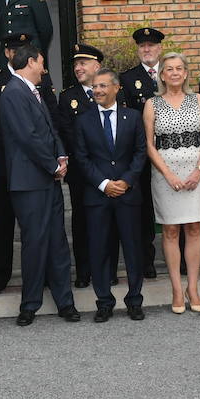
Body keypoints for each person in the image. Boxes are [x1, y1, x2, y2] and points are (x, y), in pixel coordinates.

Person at [0, 43, 81, 326]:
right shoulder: (13, 92)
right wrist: (52, 165)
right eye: (42, 63)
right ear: (31, 61)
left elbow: (50, 128)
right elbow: (27, 136)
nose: (44, 70)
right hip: (29, 182)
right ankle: (30, 304)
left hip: (47, 179)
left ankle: (65, 302)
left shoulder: (33, 92)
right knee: (34, 242)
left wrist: (61, 155)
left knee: (57, 241)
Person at [0, 34, 55, 295]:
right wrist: (15, 144)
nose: (20, 52)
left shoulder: (41, 80)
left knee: (38, 225)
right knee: (4, 221)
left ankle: (42, 275)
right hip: (8, 163)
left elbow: (49, 119)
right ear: (8, 53)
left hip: (38, 166)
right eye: (16, 49)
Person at [76, 70, 149, 322]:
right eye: (95, 86)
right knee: (99, 250)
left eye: (103, 86)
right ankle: (104, 302)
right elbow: (82, 158)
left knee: (133, 249)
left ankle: (134, 301)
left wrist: (126, 181)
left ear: (116, 88)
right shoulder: (83, 120)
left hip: (128, 195)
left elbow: (141, 153)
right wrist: (104, 183)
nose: (97, 90)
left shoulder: (134, 117)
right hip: (98, 197)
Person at [144, 52, 200, 314]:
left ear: (185, 73)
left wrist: (198, 170)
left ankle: (192, 287)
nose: (174, 73)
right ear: (162, 74)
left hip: (196, 173)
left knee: (194, 229)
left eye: (179, 69)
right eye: (169, 69)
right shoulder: (152, 104)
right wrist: (168, 174)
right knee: (171, 231)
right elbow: (149, 145)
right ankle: (176, 288)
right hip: (165, 174)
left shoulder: (198, 100)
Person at [118, 26, 165, 279]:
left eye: (151, 45)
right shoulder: (128, 78)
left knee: (172, 207)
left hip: (170, 153)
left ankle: (176, 258)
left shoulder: (170, 73)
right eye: (142, 46)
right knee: (144, 211)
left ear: (160, 48)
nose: (146, 50)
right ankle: (147, 261)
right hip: (143, 156)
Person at [58, 42, 103, 287]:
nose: (78, 68)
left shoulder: (113, 91)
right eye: (75, 64)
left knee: (108, 221)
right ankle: (84, 271)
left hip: (109, 168)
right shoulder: (68, 97)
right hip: (81, 171)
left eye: (83, 63)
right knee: (81, 221)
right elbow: (66, 132)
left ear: (97, 65)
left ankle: (106, 269)